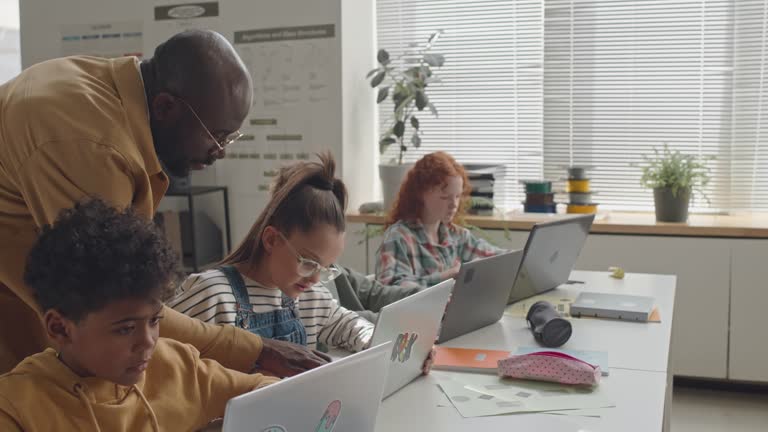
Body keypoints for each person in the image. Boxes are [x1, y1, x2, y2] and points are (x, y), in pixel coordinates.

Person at [0, 29, 325, 374]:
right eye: (216, 136)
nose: (221, 152)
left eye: (230, 137)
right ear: (165, 107)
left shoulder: (114, 93)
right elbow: (122, 304)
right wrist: (255, 350)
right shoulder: (91, 146)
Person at [0, 199, 280, 431]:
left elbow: (270, 393)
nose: (148, 342)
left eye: (155, 320)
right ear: (60, 328)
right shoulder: (16, 406)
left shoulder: (176, 365)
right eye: (125, 329)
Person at [170, 153, 375, 352]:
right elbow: (159, 352)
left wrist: (370, 339)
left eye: (325, 269)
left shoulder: (311, 298)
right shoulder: (212, 294)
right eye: (309, 263)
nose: (314, 278)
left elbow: (350, 325)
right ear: (271, 239)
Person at [375, 151, 506, 289]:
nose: (454, 204)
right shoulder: (398, 238)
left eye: (457, 196)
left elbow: (498, 259)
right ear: (420, 194)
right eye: (445, 197)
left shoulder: (457, 236)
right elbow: (389, 289)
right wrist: (445, 277)